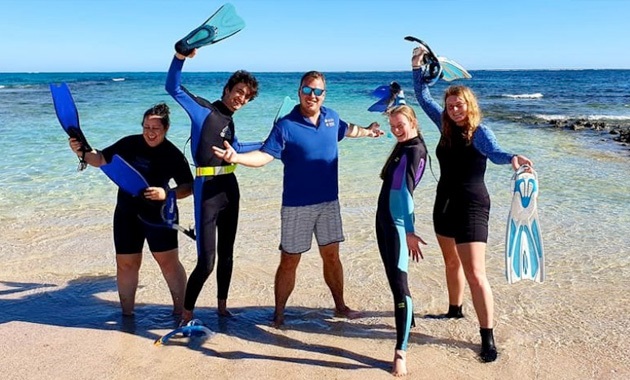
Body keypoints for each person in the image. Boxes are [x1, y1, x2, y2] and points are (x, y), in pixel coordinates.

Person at [213, 70, 383, 327]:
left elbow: (349, 130)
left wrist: (369, 131)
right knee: (290, 260)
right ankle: (279, 314)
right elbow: (264, 156)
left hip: (329, 203)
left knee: (332, 256)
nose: (311, 96)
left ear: (323, 95)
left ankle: (340, 306)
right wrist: (236, 158)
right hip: (296, 207)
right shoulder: (286, 126)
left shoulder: (331, 118)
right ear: (299, 92)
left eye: (317, 91)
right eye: (307, 90)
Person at [411, 46, 533, 363]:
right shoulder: (445, 128)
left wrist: (513, 159)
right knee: (451, 263)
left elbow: (496, 153)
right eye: (450, 105)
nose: (453, 110)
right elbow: (423, 98)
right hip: (445, 203)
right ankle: (454, 311)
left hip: (472, 206)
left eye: (459, 105)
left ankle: (487, 337)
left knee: (476, 273)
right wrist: (416, 67)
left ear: (469, 105)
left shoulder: (479, 133)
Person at [68, 103, 193, 316]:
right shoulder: (129, 143)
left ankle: (181, 312)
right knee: (126, 264)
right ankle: (127, 315)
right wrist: (80, 151)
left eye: (155, 128)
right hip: (127, 213)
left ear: (166, 129)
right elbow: (100, 159)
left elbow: (188, 186)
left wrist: (168, 193)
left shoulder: (172, 154)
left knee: (168, 263)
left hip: (159, 215)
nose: (150, 133)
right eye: (146, 127)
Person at [165, 49, 261, 323]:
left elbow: (239, 148)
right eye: (238, 91)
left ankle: (222, 308)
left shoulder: (229, 123)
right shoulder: (204, 110)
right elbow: (172, 87)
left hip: (230, 188)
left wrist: (272, 142)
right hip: (206, 189)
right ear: (228, 88)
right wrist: (180, 56)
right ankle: (187, 313)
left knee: (228, 255)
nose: (241, 98)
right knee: (207, 260)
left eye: (246, 96)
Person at [375, 104, 428, 376]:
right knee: (392, 279)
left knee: (400, 287)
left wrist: (408, 230)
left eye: (400, 125)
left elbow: (406, 194)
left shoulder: (414, 150)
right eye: (393, 126)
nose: (396, 130)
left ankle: (401, 350)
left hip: (396, 224)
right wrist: (397, 99)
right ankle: (409, 321)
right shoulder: (405, 144)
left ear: (413, 122)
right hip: (383, 219)